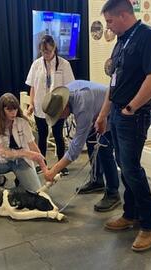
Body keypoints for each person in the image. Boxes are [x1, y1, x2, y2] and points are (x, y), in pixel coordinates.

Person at [95, 0, 151, 252]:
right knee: (124, 166)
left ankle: (149, 225)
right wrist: (104, 113)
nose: (108, 27)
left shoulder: (150, 38)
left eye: (110, 21)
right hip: (117, 113)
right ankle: (131, 214)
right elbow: (114, 83)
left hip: (133, 116)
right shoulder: (122, 40)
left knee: (132, 169)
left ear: (124, 15)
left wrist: (130, 108)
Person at [42, 81, 120, 212]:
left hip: (112, 110)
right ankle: (97, 181)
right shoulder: (65, 94)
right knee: (91, 144)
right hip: (96, 111)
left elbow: (75, 149)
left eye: (59, 115)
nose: (60, 118)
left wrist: (54, 170)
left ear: (65, 106)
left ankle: (113, 193)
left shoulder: (82, 106)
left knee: (104, 151)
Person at [0, 93, 46, 192]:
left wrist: (45, 169)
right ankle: (3, 182)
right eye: (9, 110)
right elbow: (3, 152)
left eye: (15, 109)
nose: (13, 113)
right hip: (3, 161)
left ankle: (21, 182)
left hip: (21, 161)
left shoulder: (23, 122)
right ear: (2, 110)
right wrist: (26, 153)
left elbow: (32, 144)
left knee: (36, 191)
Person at [25, 35, 75, 175]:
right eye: (42, 52)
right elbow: (33, 86)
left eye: (48, 52)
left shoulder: (64, 64)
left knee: (58, 135)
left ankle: (61, 165)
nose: (45, 55)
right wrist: (31, 104)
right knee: (42, 136)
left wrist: (67, 106)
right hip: (40, 104)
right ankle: (42, 164)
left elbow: (69, 88)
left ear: (54, 49)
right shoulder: (36, 64)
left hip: (57, 107)